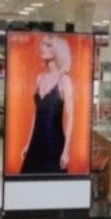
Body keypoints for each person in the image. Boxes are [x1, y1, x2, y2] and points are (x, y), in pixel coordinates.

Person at [20, 34, 74, 173]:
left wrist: (66, 150)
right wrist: (28, 144)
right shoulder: (39, 79)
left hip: (54, 145)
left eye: (48, 45)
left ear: (58, 52)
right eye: (43, 44)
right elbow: (36, 115)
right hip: (36, 144)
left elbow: (70, 118)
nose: (43, 47)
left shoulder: (64, 81)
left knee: (53, 183)